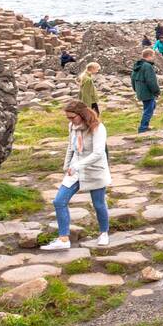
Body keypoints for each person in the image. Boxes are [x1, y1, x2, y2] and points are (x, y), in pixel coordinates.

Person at [41, 101, 111, 251]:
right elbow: (70, 147)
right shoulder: (72, 127)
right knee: (59, 201)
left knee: (98, 204)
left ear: (82, 115)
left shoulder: (98, 128)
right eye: (68, 118)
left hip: (94, 170)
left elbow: (98, 153)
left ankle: (104, 233)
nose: (70, 121)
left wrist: (77, 165)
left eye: (72, 117)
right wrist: (66, 165)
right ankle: (63, 239)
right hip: (75, 170)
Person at [131, 49, 160, 133]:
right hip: (147, 92)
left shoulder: (137, 65)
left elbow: (132, 79)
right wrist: (156, 91)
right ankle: (143, 128)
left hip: (141, 91)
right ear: (149, 56)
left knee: (150, 106)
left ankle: (145, 126)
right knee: (149, 109)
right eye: (153, 56)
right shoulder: (147, 66)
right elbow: (151, 80)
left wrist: (136, 90)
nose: (154, 57)